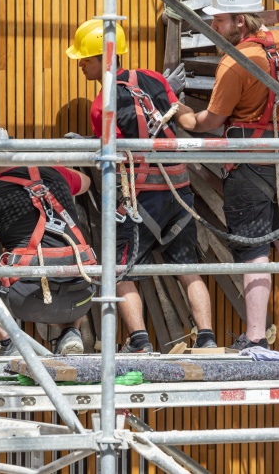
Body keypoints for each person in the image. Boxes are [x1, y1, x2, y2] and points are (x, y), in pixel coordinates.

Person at [176, 0, 279, 352]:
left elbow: (211, 120)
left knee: (253, 249)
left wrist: (182, 115)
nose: (214, 28)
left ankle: (256, 338)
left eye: (220, 20)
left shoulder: (234, 63)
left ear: (240, 21)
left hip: (249, 166)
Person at [67, 19, 218, 353]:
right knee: (188, 268)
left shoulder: (99, 106)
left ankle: (139, 342)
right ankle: (206, 338)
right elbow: (179, 113)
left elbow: (116, 157)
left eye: (86, 59)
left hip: (140, 198)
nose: (80, 65)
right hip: (179, 190)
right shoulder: (152, 78)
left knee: (122, 271)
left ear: (103, 58)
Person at [0, 122, 98, 356]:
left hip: (28, 299)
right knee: (69, 257)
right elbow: (85, 183)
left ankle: (10, 340)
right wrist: (56, 168)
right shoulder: (54, 172)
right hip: (82, 296)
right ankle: (70, 333)